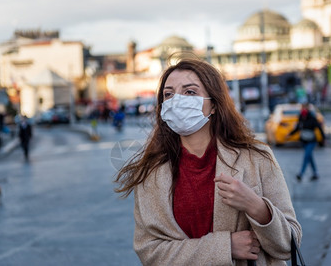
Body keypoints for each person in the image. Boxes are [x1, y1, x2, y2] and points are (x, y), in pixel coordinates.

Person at [115, 56, 301, 265]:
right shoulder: (151, 172)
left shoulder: (256, 157)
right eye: (169, 94)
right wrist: (225, 247)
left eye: (190, 92)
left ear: (213, 104)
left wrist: (256, 207)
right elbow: (149, 251)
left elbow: (288, 245)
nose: (177, 101)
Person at [287, 103, 325, 182]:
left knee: (306, 156)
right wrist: (290, 134)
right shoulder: (301, 117)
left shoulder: (312, 117)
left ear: (308, 109)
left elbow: (319, 127)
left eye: (305, 108)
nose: (303, 110)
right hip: (304, 141)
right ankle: (315, 173)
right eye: (302, 108)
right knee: (309, 157)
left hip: (311, 141)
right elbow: (298, 128)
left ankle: (301, 173)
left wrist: (323, 138)